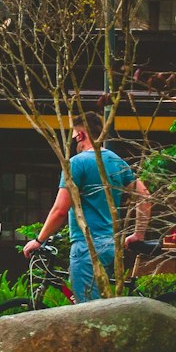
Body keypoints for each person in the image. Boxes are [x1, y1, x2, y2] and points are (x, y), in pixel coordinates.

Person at [23, 114, 152, 302]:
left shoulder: (77, 163)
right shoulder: (116, 161)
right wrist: (138, 234)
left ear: (81, 135)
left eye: (74, 135)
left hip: (87, 247)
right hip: (111, 247)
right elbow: (145, 197)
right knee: (104, 309)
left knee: (88, 315)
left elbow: (60, 210)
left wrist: (38, 240)